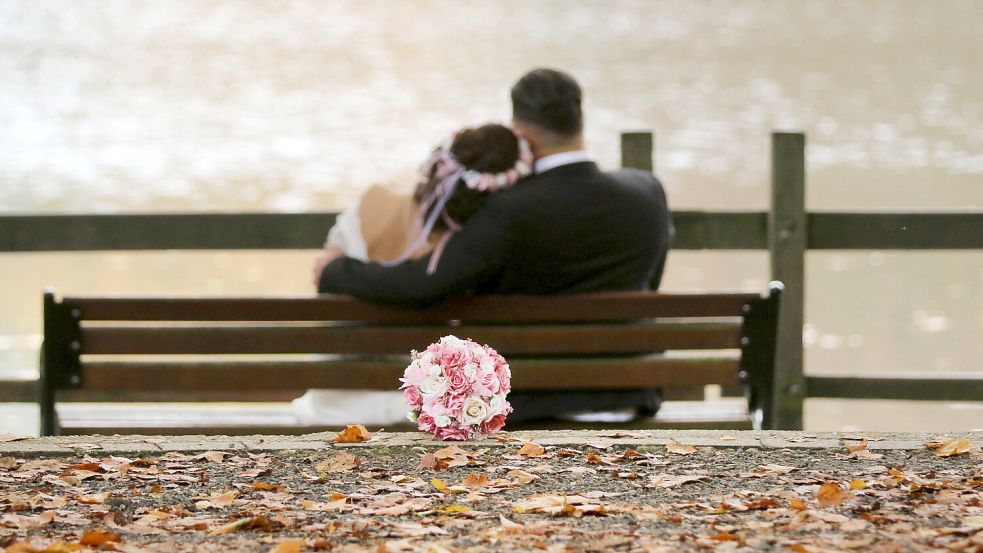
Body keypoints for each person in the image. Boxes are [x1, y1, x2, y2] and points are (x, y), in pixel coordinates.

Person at [318, 68, 673, 422]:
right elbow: (650, 281)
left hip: (535, 403)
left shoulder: (507, 209)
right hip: (630, 394)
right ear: (580, 120)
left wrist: (335, 270)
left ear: (520, 133)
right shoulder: (647, 192)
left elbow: (425, 284)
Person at [295, 123, 534, 425]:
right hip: (428, 410)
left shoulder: (372, 203)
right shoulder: (466, 249)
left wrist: (334, 270)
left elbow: (323, 273)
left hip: (335, 403)